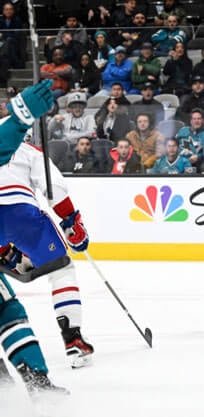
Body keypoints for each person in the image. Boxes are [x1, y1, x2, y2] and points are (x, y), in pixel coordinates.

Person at [0, 79, 94, 369]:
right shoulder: (29, 150)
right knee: (61, 269)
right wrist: (71, 223)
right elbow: (55, 190)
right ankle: (73, 340)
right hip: (22, 214)